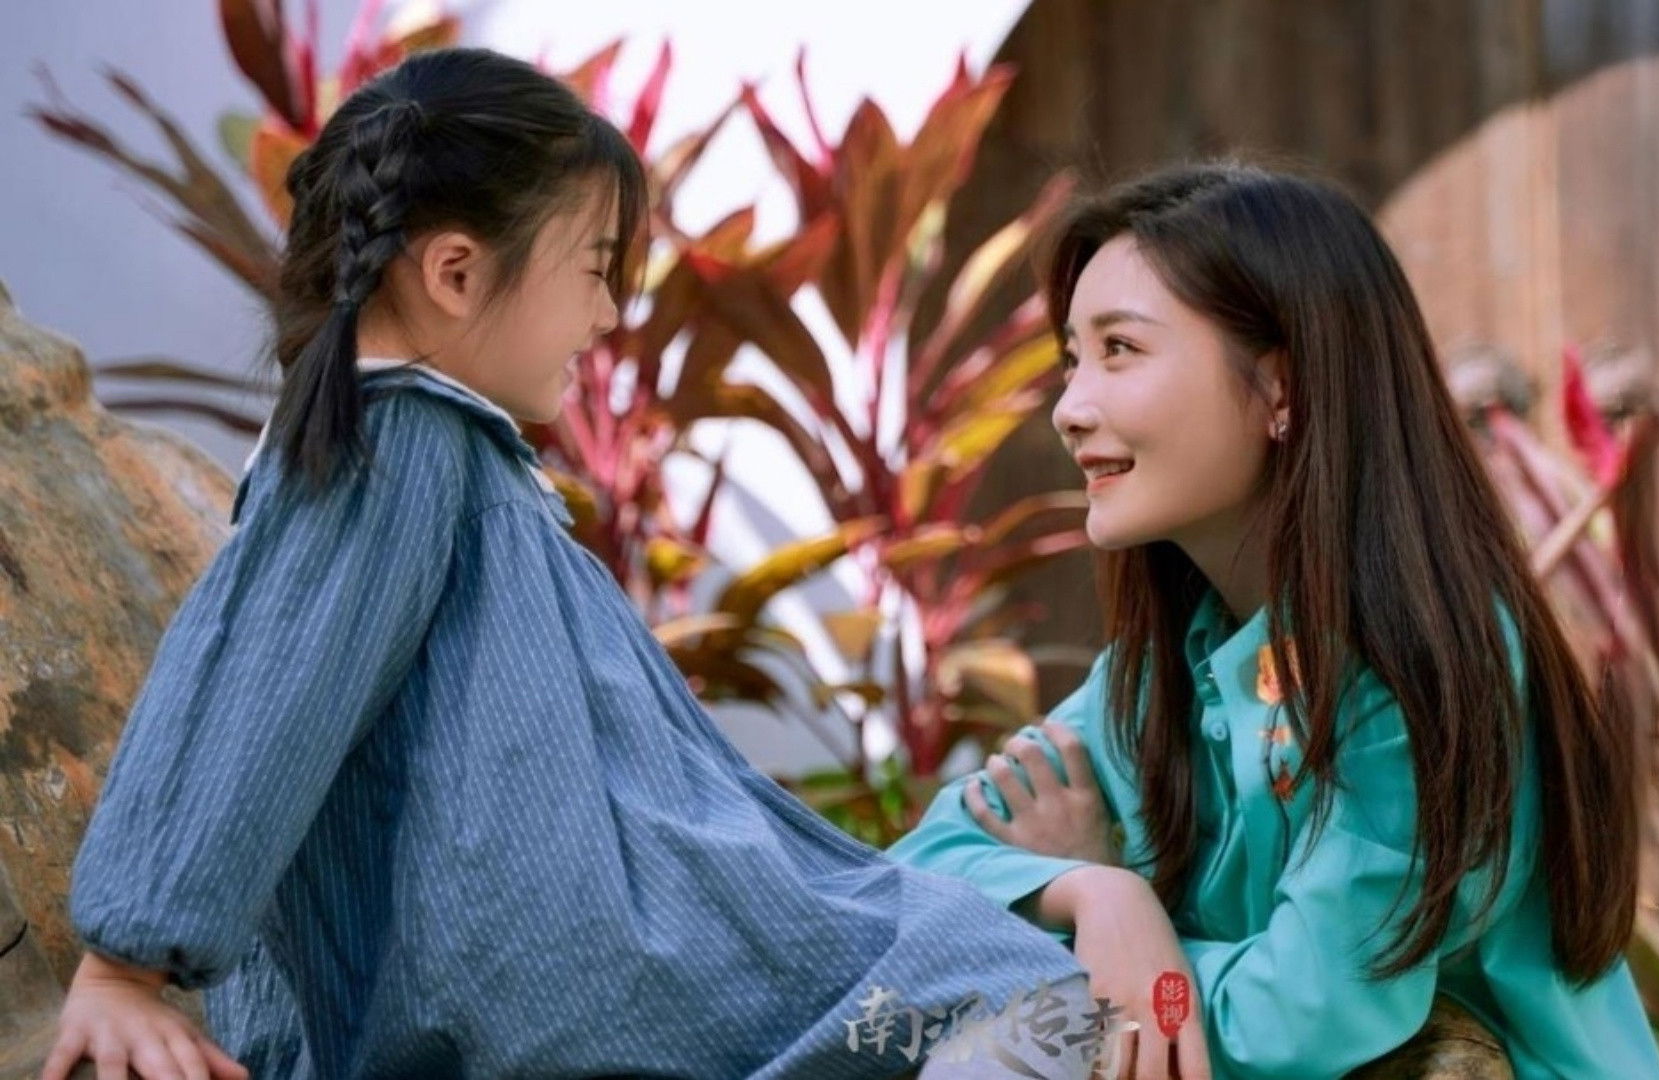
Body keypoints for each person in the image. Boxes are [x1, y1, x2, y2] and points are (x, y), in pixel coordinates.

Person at [42, 46, 1099, 1080]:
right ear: (456, 273)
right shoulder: (400, 440)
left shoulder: (424, 451)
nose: (608, 313)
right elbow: (261, 689)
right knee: (1023, 990)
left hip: (584, 977)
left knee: (996, 973)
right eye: (596, 268)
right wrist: (126, 964)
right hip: (590, 985)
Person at [888, 162, 1659, 1080]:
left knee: (1013, 1052)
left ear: (1281, 388)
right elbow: (916, 877)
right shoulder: (1166, 672)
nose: (1070, 409)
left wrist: (1141, 935)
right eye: (1072, 359)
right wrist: (1093, 894)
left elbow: (1298, 1022)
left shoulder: (1413, 666)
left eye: (1119, 350)